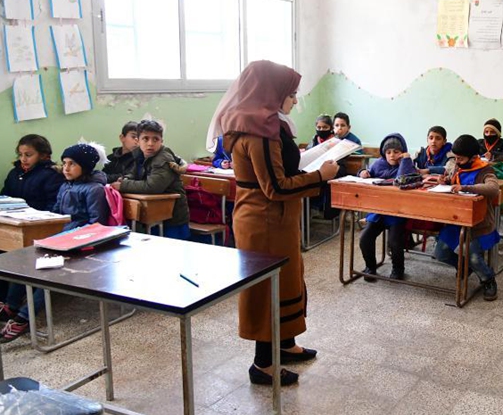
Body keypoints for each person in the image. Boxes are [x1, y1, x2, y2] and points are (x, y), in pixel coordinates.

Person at [206, 60, 339, 386]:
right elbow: (275, 186)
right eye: (291, 94)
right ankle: (263, 364)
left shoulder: (267, 124)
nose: (294, 101)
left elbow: (281, 171)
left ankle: (285, 344)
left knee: (289, 280)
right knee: (268, 288)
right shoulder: (257, 130)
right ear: (271, 93)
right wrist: (321, 177)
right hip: (264, 219)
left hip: (276, 218)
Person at [1, 142, 110, 343]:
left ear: (85, 167)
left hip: (80, 244)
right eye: (64, 163)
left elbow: (97, 225)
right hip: (58, 237)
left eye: (72, 164)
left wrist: (69, 236)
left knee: (47, 274)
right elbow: (57, 212)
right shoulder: (66, 185)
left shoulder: (94, 189)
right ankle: (10, 305)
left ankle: (24, 318)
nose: (65, 168)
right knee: (24, 262)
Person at [433, 134, 500, 300]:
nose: (457, 162)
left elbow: (493, 189)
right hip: (456, 220)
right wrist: (446, 181)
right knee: (440, 253)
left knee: (473, 255)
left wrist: (466, 187)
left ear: (473, 157)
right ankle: (465, 268)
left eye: (461, 159)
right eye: (456, 158)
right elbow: (453, 181)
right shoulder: (458, 166)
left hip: (478, 223)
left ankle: (487, 279)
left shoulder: (485, 169)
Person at [111, 120, 191, 240]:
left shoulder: (163, 158)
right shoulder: (139, 154)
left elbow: (153, 186)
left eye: (155, 139)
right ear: (138, 140)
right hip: (153, 214)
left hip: (171, 217)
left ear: (161, 141)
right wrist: (125, 179)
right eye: (145, 139)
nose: (150, 144)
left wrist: (123, 186)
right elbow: (133, 173)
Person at [358, 133, 416, 281]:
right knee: (365, 237)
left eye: (396, 152)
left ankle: (398, 268)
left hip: (398, 212)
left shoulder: (407, 165)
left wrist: (405, 159)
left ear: (402, 152)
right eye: (388, 152)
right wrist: (362, 173)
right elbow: (368, 174)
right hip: (378, 211)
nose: (391, 155)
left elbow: (402, 179)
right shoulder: (379, 163)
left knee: (394, 241)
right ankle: (370, 267)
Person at [1, 134, 64, 211]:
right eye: (20, 155)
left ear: (42, 155)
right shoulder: (14, 173)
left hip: (39, 219)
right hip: (13, 218)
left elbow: (54, 203)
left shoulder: (51, 175)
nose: (23, 159)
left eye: (28, 155)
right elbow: (4, 198)